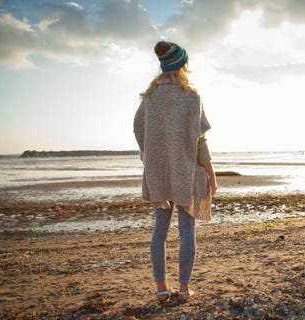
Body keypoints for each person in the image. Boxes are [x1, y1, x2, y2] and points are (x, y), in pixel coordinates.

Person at [133, 41, 217, 303]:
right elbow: (199, 140)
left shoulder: (150, 98)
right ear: (182, 64)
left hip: (158, 172)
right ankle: (183, 289)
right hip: (185, 172)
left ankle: (161, 288)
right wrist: (211, 171)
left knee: (160, 230)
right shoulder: (191, 97)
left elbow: (138, 130)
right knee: (186, 230)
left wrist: (151, 158)